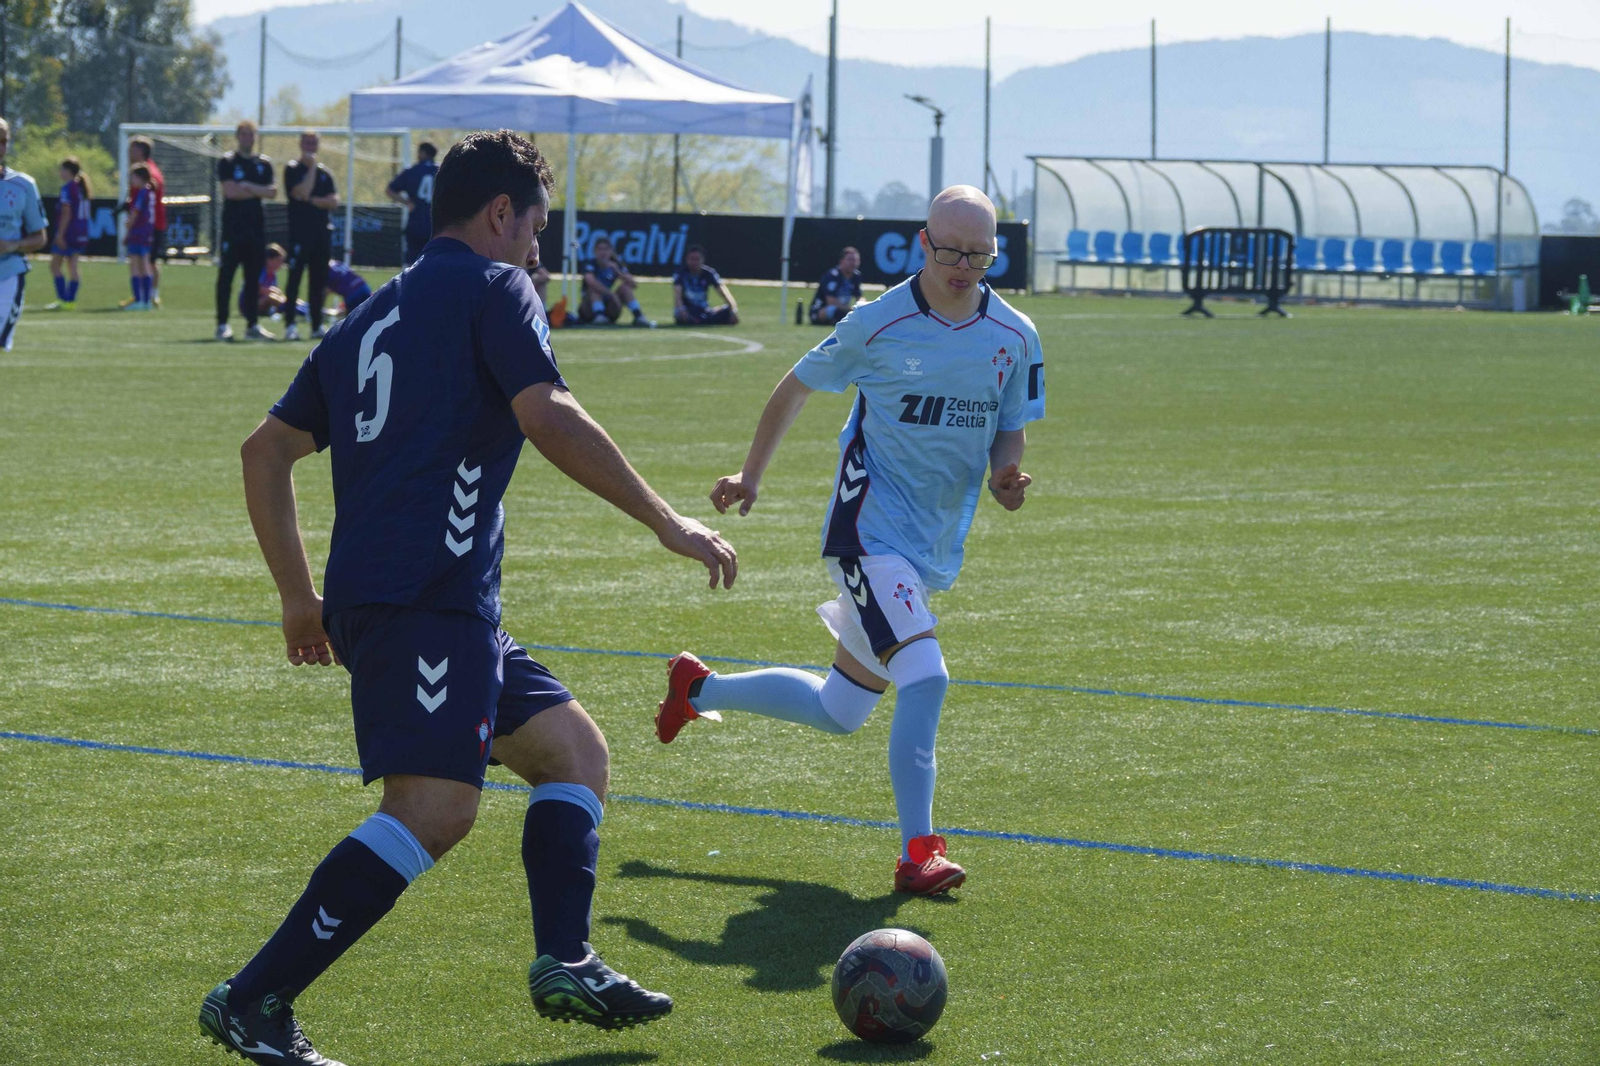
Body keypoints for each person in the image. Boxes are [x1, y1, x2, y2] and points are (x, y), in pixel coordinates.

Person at [199, 130, 739, 1065]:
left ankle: (566, 958)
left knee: (573, 752)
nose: (539, 245)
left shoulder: (369, 313)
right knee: (435, 810)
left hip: (434, 603)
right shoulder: (498, 288)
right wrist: (667, 522)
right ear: (500, 214)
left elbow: (264, 451)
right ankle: (253, 999)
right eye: (535, 224)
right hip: (423, 600)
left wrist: (299, 598)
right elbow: (548, 412)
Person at [656, 186, 1045, 898]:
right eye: (951, 251)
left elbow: (1010, 425)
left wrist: (1004, 477)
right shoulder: (877, 322)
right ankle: (918, 853)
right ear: (922, 245)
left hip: (926, 547)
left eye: (980, 256)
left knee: (839, 710)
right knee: (926, 678)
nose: (963, 266)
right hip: (867, 533)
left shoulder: (1016, 336)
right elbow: (795, 388)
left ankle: (698, 687)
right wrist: (750, 474)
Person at [215, 120, 277, 342]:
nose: (247, 138)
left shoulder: (264, 163)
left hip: (256, 230)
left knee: (253, 280)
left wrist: (248, 187)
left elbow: (272, 192)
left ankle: (252, 325)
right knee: (226, 277)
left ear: (255, 136)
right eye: (243, 134)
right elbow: (230, 192)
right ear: (237, 136)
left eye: (251, 134)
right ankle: (222, 325)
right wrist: (257, 191)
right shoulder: (227, 161)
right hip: (233, 230)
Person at [281, 131, 341, 342]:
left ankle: (316, 324)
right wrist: (313, 168)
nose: (310, 146)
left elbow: (333, 201)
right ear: (300, 144)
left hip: (321, 235)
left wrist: (314, 200)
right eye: (307, 142)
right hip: (300, 234)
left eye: (314, 142)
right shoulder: (293, 169)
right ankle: (290, 325)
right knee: (294, 279)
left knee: (319, 281)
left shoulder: (326, 174)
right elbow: (301, 192)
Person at [0, 118, 49, 351]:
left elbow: (39, 237)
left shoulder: (23, 185)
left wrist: (11, 245)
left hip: (8, 275)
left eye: (3, 142)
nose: (0, 148)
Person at [122, 136, 167, 307]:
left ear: (140, 151)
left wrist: (130, 224)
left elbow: (141, 205)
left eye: (132, 149)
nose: (129, 153)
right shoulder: (146, 172)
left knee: (147, 261)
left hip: (148, 225)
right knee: (147, 261)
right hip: (150, 224)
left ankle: (150, 296)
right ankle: (145, 297)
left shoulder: (146, 174)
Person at [45, 157, 91, 310]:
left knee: (55, 266)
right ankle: (71, 301)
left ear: (68, 171)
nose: (60, 172)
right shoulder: (81, 187)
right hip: (80, 233)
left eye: (62, 169)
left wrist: (60, 234)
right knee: (73, 267)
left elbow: (67, 212)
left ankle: (63, 299)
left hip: (68, 233)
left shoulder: (68, 188)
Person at [578, 237, 654, 327]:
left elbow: (633, 284)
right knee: (594, 289)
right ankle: (599, 315)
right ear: (595, 251)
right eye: (600, 249)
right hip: (589, 308)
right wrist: (610, 294)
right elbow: (591, 281)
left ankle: (638, 315)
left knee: (625, 288)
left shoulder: (615, 264)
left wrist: (617, 271)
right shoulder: (590, 264)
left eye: (606, 249)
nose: (603, 252)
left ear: (611, 251)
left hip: (610, 307)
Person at [386, 141, 438, 267]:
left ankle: (408, 285)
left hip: (416, 221)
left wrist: (407, 202)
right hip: (436, 223)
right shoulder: (441, 170)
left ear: (422, 153)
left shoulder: (411, 171)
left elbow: (390, 190)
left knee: (411, 261)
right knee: (434, 258)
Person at [671, 245, 739, 326]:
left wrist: (733, 310)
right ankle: (700, 320)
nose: (694, 263)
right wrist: (682, 310)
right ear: (686, 260)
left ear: (702, 260)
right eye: (691, 259)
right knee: (683, 316)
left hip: (703, 310)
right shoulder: (680, 274)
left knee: (726, 312)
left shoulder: (709, 273)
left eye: (697, 259)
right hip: (688, 310)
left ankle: (701, 320)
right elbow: (677, 296)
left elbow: (724, 292)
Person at [124, 163, 156, 311]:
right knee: (145, 266)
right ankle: (147, 300)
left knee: (136, 267)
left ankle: (139, 300)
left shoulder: (142, 193)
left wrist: (128, 228)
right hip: (147, 233)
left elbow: (135, 213)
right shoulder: (151, 192)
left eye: (133, 177)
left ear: (140, 178)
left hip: (138, 233)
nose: (131, 180)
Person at [810, 246, 862, 325]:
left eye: (855, 260)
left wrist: (862, 306)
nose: (853, 263)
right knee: (834, 310)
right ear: (841, 261)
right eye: (850, 260)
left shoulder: (856, 276)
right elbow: (831, 301)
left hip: (843, 308)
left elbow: (859, 296)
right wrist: (850, 309)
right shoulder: (833, 276)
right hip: (822, 310)